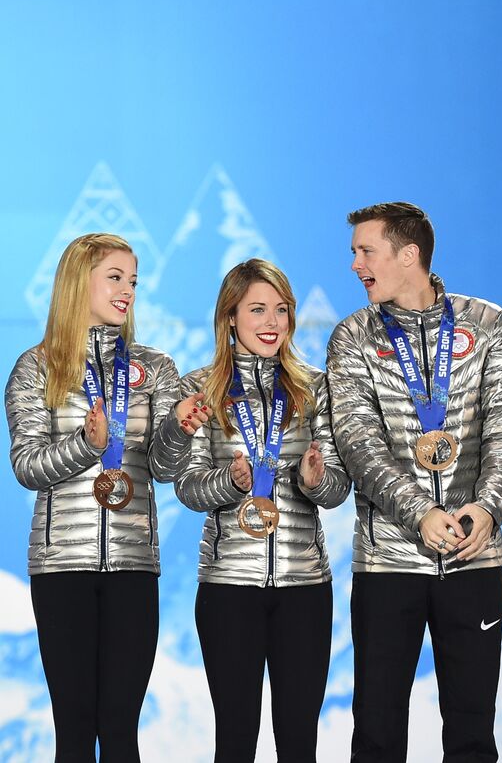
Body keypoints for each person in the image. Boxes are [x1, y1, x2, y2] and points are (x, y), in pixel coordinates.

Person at [326, 202, 502, 762]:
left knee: (471, 729)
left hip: (474, 556)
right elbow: (357, 441)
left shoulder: (488, 324)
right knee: (377, 727)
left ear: (408, 255)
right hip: (388, 563)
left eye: (365, 251)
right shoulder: (352, 336)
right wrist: (420, 512)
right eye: (354, 253)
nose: (355, 265)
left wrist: (486, 510)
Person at [6, 233, 203, 762]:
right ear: (78, 282)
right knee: (74, 728)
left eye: (133, 281)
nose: (127, 291)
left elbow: (164, 467)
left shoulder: (155, 367)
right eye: (114, 277)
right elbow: (26, 466)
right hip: (60, 567)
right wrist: (85, 445)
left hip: (134, 566)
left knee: (120, 728)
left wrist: (180, 431)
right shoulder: (36, 367)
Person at [166, 258, 350, 762]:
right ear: (230, 317)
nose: (272, 322)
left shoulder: (316, 387)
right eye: (258, 309)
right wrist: (231, 481)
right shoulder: (200, 387)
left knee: (298, 742)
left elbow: (337, 489)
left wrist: (316, 480)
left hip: (304, 589)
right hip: (228, 588)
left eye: (282, 310)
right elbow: (186, 486)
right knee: (235, 740)